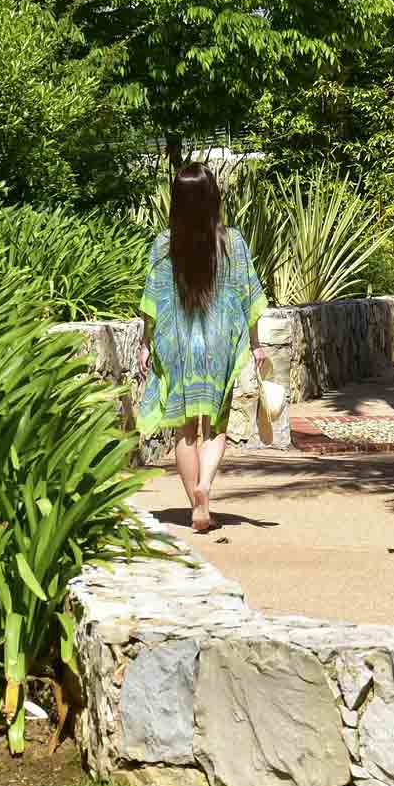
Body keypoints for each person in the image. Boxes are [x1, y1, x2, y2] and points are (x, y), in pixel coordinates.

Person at [138, 163, 264, 533]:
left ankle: (194, 499)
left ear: (177, 201)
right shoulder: (233, 242)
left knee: (183, 429)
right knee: (215, 425)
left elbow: (153, 301)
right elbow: (248, 296)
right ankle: (205, 486)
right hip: (218, 345)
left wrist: (146, 345)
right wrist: (255, 345)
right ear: (213, 199)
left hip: (177, 346)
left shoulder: (163, 244)